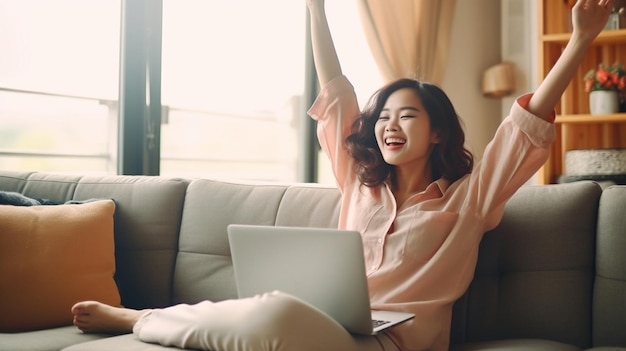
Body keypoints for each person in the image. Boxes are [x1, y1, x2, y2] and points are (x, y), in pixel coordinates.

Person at [70, 0, 614, 350]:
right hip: (322, 322)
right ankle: (145, 320)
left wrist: (579, 41)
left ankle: (135, 320)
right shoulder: (360, 180)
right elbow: (336, 91)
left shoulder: (468, 199)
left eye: (407, 116)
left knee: (274, 315)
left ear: (440, 132)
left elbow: (526, 124)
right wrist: (315, 6)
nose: (388, 126)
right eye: (383, 117)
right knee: (265, 310)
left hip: (391, 343)